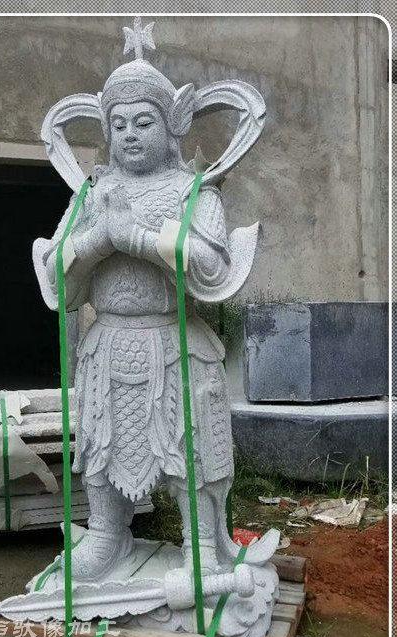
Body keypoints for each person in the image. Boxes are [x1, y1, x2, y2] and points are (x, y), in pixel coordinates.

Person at [34, 19, 257, 581]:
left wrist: (135, 236)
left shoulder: (194, 191)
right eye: (118, 124)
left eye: (144, 122)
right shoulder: (94, 193)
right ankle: (107, 534)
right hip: (107, 340)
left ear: (171, 126)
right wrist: (98, 239)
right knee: (100, 443)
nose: (130, 134)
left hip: (174, 340)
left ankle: (201, 544)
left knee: (190, 446)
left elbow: (212, 264)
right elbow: (56, 271)